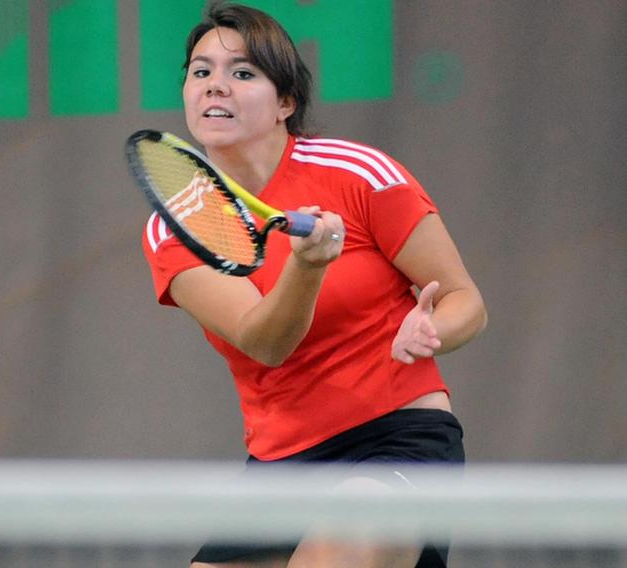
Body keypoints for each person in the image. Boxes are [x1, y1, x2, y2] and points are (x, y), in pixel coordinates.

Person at [140, 3, 487, 567]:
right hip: (282, 470)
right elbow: (265, 341)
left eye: (242, 72)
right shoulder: (176, 222)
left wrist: (432, 330)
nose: (215, 87)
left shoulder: (359, 174)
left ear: (285, 103)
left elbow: (464, 300)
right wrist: (308, 266)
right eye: (200, 72)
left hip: (396, 442)